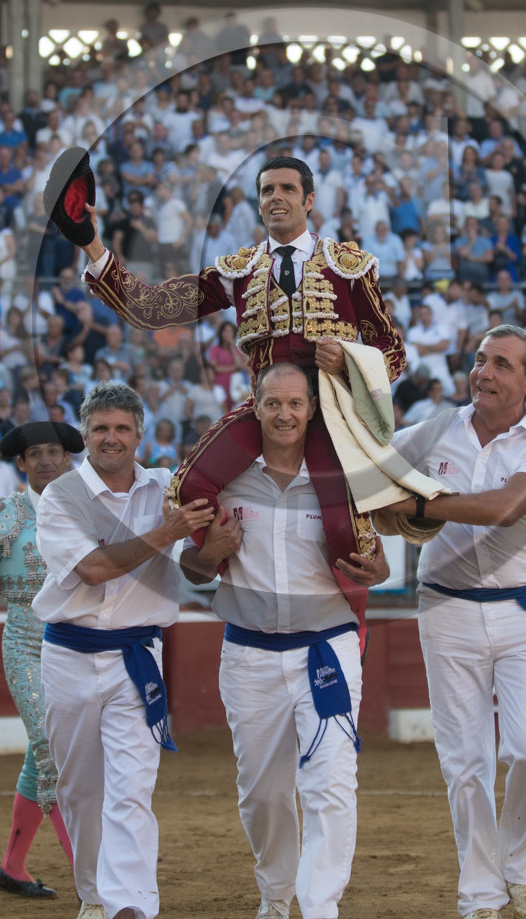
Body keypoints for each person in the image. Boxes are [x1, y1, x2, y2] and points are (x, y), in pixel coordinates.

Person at [44, 151, 405, 638]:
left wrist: (350, 362)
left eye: (286, 189)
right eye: (266, 191)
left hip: (330, 413)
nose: (275, 198)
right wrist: (92, 245)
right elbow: (153, 307)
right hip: (266, 410)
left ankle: (349, 635)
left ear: (310, 200)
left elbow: (392, 350)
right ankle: (214, 562)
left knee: (346, 535)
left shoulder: (350, 267)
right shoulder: (239, 271)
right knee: (189, 487)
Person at [379, 325, 526, 919]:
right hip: (446, 608)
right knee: (465, 763)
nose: (484, 373)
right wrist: (392, 518)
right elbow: (372, 480)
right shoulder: (435, 429)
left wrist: (417, 505)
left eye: (501, 364)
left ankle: (524, 872)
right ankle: (481, 895)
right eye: (479, 360)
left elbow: (505, 506)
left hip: (522, 611)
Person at [180, 363, 389, 919]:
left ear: (312, 409)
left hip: (328, 646)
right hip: (247, 652)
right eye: (273, 403)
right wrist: (208, 552)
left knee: (331, 786)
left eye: (295, 404)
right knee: (263, 793)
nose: (284, 414)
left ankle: (320, 908)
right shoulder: (224, 482)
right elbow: (193, 568)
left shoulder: (342, 479)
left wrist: (377, 569)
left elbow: (379, 559)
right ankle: (275, 898)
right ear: (254, 405)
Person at [33, 382, 215, 919]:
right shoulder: (60, 497)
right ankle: (94, 895)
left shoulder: (166, 487)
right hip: (68, 656)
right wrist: (167, 532)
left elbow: (198, 565)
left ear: (139, 434)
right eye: (100, 430)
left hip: (137, 656)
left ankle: (129, 906)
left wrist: (215, 549)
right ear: (84, 437)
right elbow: (93, 570)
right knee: (81, 790)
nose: (111, 439)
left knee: (132, 788)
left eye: (121, 429)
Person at [0, 421, 83, 899]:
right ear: (21, 463)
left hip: (80, 646)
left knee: (43, 752)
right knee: (56, 751)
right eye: (36, 454)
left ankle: (13, 867)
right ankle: (93, 879)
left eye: (54, 451)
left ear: (68, 459)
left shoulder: (88, 508)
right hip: (26, 645)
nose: (46, 460)